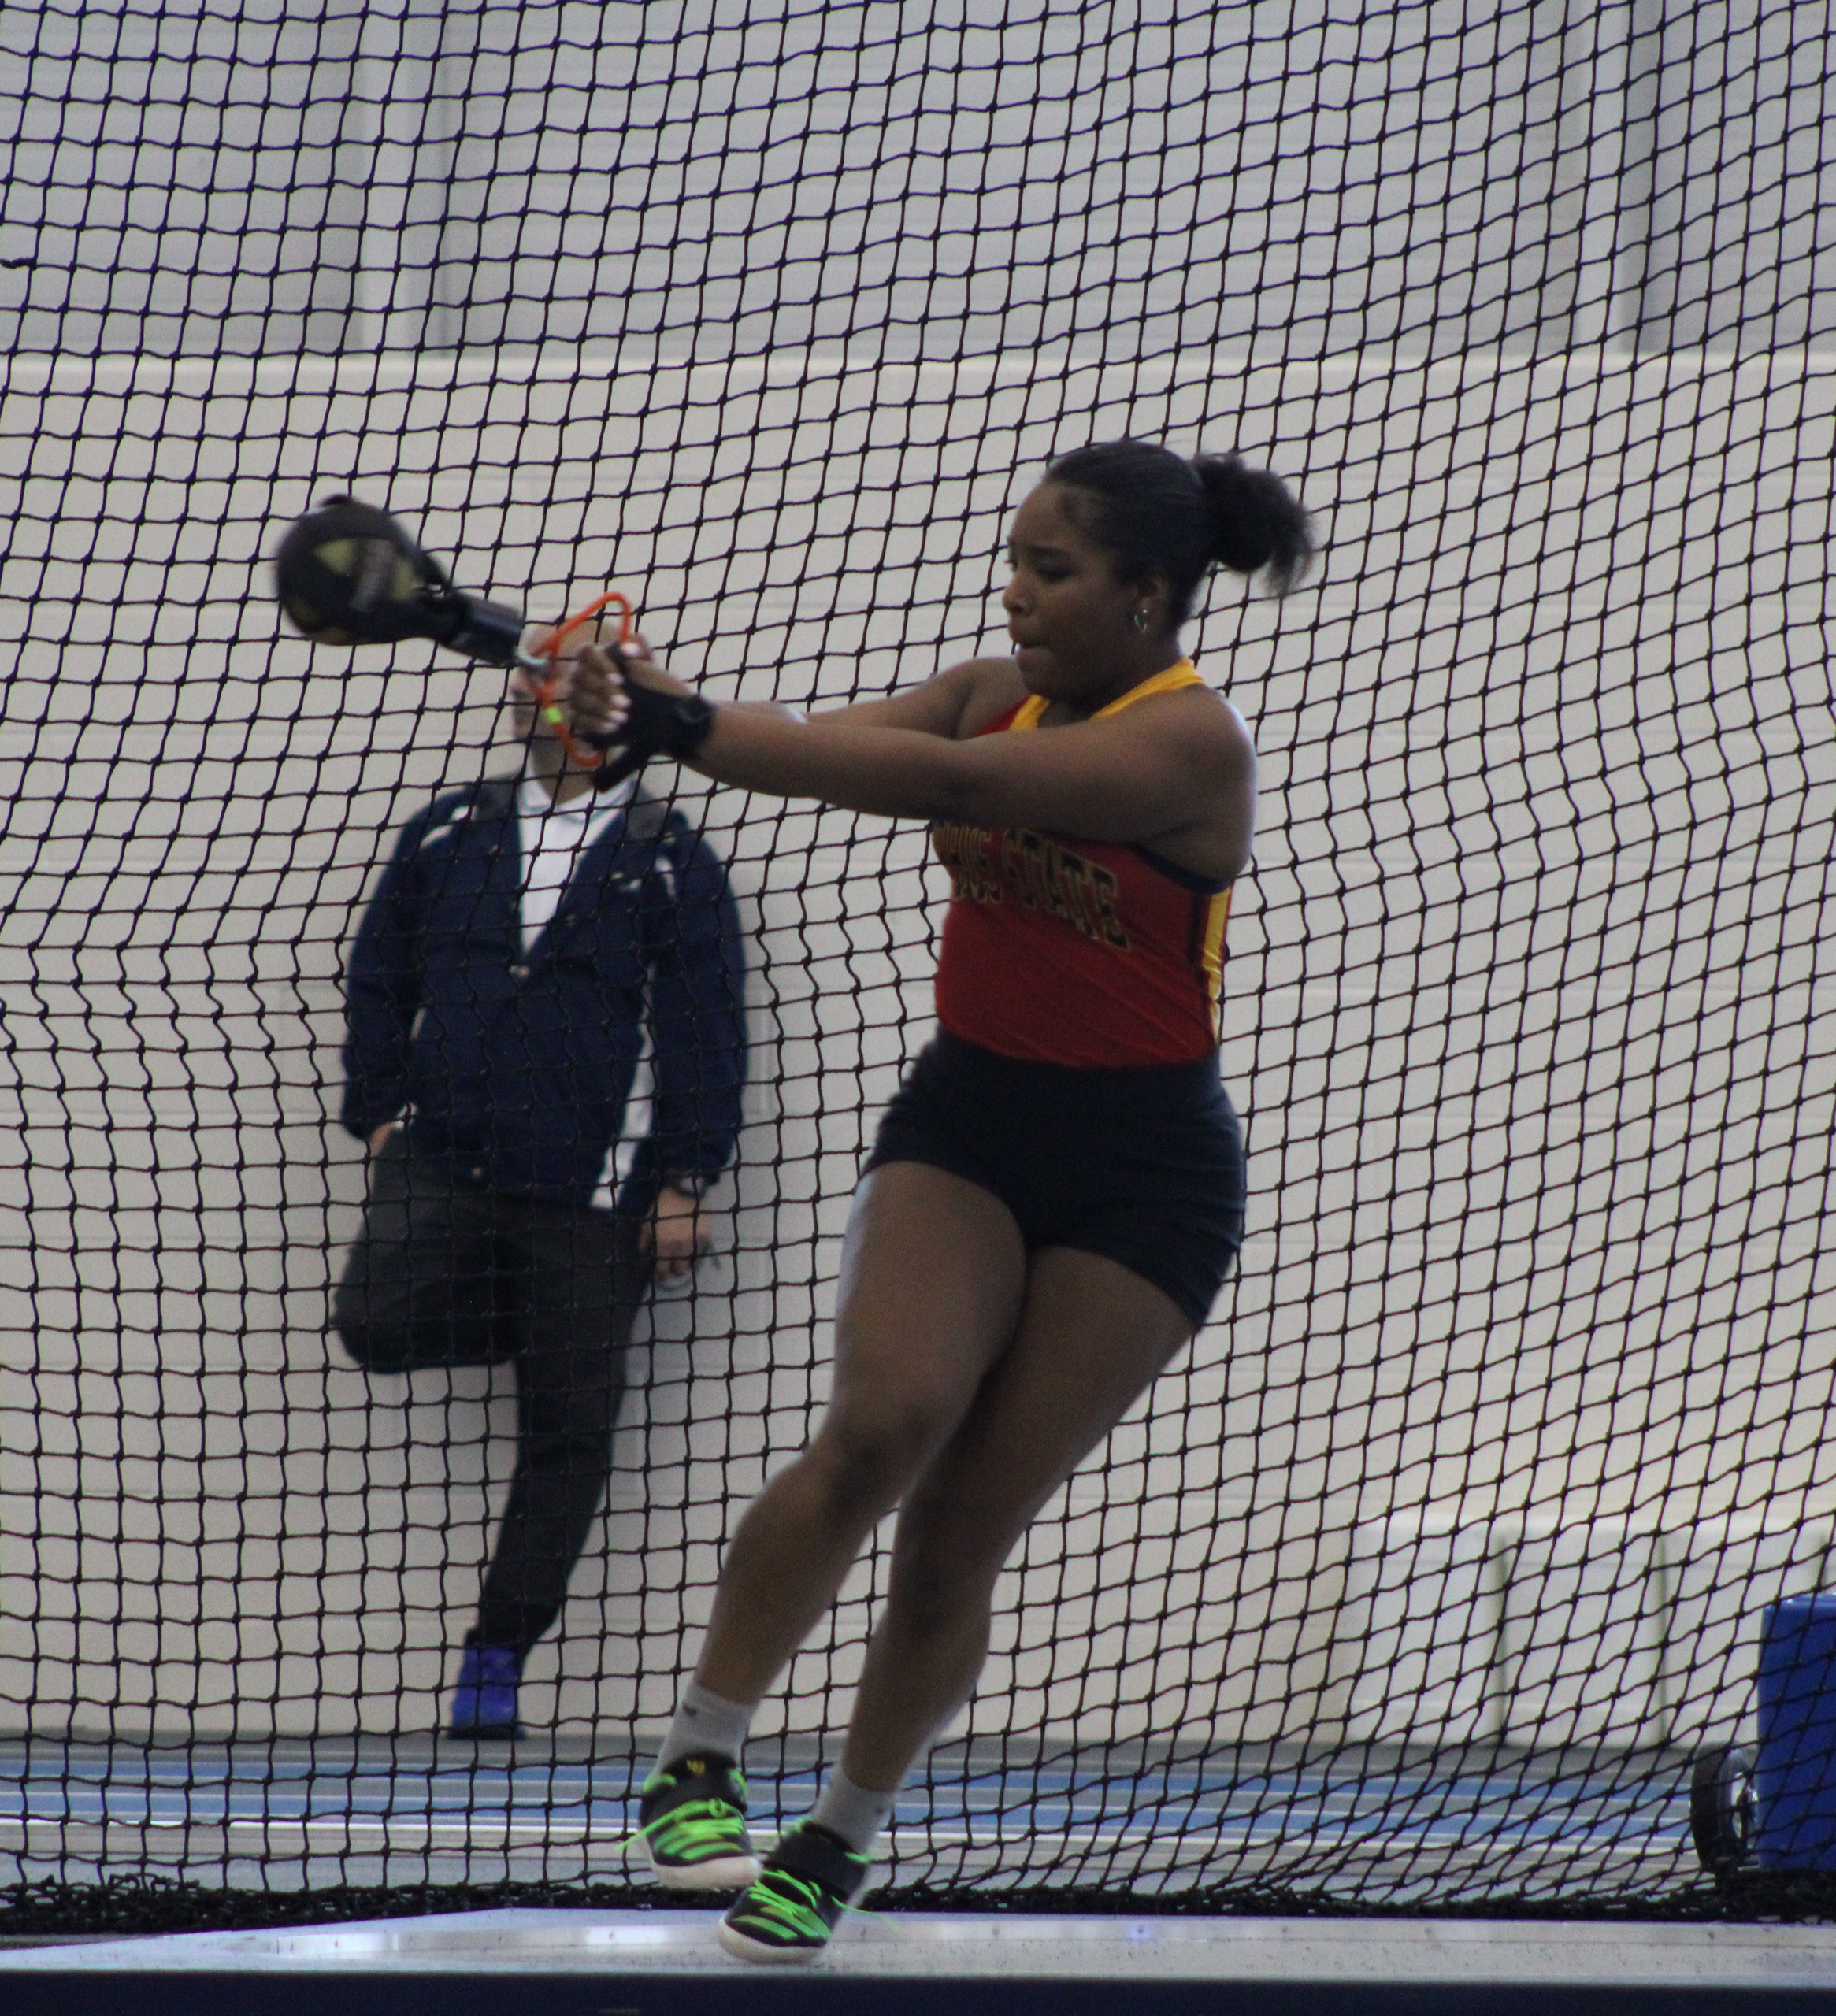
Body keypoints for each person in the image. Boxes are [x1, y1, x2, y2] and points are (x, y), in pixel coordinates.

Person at [561, 441, 1313, 1962]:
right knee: (882, 1425)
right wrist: (656, 712)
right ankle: (700, 1754)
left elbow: (951, 788)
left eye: (1051, 569)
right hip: (969, 1121)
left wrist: (679, 722)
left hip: (1146, 1181)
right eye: (1015, 561)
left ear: (1147, 593)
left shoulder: (1193, 746)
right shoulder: (984, 690)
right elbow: (818, 745)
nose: (1015, 593)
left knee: (960, 1533)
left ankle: (838, 1836)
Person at [333, 624, 748, 1739]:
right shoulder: (450, 831)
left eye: (574, 677)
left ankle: (495, 1659)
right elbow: (379, 976)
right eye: (539, 675)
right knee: (373, 1321)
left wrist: (686, 1177)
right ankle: (543, 1327)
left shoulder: (669, 857)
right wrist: (381, 1113)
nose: (543, 695)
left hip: (596, 1197)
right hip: (449, 1161)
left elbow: (705, 1028)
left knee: (569, 1434)